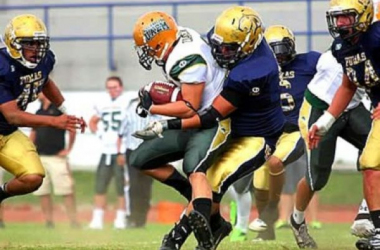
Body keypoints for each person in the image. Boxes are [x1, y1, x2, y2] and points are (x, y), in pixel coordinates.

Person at [134, 6, 285, 249]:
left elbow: (208, 116)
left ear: (248, 44)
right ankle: (206, 233)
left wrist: (165, 122)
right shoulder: (227, 37)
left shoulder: (251, 72)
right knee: (199, 180)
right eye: (219, 44)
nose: (220, 51)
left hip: (255, 137)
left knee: (210, 182)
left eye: (228, 48)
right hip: (231, 126)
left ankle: (178, 238)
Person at [130, 11, 231, 250]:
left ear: (159, 42)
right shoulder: (179, 37)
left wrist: (154, 106)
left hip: (211, 120)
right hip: (195, 118)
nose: (146, 52)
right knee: (141, 159)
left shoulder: (184, 58)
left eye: (148, 47)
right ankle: (198, 201)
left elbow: (189, 107)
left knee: (193, 166)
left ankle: (178, 239)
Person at [226, 24, 320, 242]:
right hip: (270, 132)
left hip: (295, 130)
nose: (278, 56)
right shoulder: (259, 70)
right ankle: (267, 230)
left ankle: (271, 213)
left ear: (292, 46)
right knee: (259, 184)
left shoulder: (309, 62)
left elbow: (335, 71)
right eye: (273, 50)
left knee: (275, 163)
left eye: (282, 49)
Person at [307, 0, 380, 249]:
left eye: (346, 17)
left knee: (372, 162)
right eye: (336, 18)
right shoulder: (342, 46)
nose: (339, 23)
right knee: (371, 163)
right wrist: (326, 121)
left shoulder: (377, 36)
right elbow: (349, 84)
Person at [0, 14, 85, 206]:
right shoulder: (3, 67)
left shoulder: (44, 60)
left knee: (33, 177)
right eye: (30, 43)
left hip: (6, 133)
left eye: (39, 43)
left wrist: (64, 110)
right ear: (13, 44)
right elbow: (13, 115)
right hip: (10, 123)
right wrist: (55, 121)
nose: (36, 49)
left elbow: (44, 81)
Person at [30, 93, 80, 228]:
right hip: (40, 157)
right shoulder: (39, 112)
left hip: (56, 156)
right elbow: (34, 132)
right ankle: (48, 221)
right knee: (43, 191)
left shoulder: (58, 110)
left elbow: (72, 129)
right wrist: (30, 149)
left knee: (66, 190)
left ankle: (73, 221)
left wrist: (68, 149)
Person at [88, 76, 130, 230]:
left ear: (121, 87)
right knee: (100, 186)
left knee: (121, 187)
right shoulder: (102, 103)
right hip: (106, 151)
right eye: (109, 87)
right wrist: (100, 134)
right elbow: (92, 121)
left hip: (121, 150)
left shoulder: (128, 102)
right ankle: (97, 220)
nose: (112, 90)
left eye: (115, 87)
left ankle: (120, 219)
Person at [117, 97, 160, 228]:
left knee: (146, 187)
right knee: (134, 186)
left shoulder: (157, 116)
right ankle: (132, 217)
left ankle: (142, 220)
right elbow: (120, 134)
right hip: (133, 151)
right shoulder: (129, 114)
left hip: (149, 153)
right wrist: (119, 153)